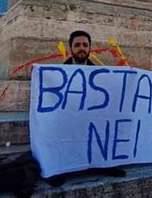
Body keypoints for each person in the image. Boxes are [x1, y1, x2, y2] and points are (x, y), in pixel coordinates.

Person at [46, 30, 126, 187]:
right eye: (77, 45)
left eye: (85, 45)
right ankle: (60, 169)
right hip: (68, 121)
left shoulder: (100, 76)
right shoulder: (58, 76)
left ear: (90, 48)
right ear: (71, 49)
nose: (81, 48)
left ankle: (104, 164)